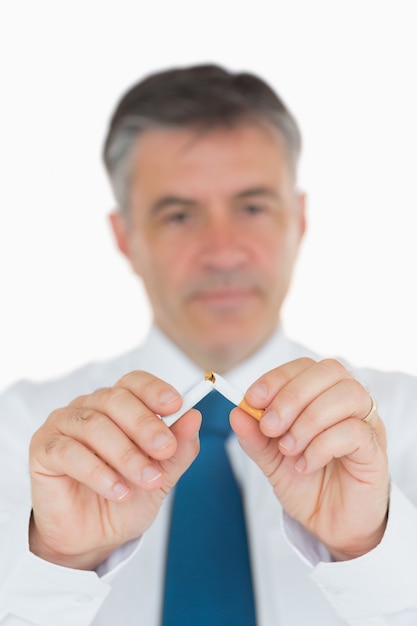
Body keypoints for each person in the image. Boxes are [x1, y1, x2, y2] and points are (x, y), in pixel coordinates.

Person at [1, 64, 417, 626]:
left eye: (251, 207)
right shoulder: (20, 437)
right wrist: (58, 563)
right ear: (125, 237)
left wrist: (370, 547)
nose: (222, 252)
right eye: (179, 215)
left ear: (298, 218)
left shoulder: (405, 425)